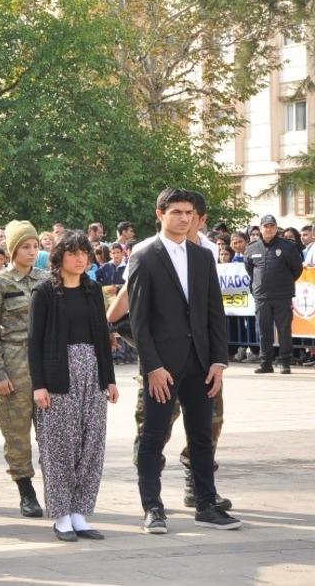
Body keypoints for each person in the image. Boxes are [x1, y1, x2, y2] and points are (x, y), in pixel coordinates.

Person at [127, 188, 240, 533]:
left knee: (202, 436)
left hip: (201, 363)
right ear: (160, 214)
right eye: (176, 212)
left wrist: (219, 361)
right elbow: (138, 321)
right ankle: (153, 508)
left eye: (189, 212)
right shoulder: (144, 256)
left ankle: (206, 504)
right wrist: (153, 367)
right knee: (153, 436)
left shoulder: (203, 256)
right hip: (162, 365)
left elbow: (214, 313)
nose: (184, 218)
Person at [28, 231, 119, 542]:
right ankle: (62, 514)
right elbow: (34, 343)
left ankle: (80, 511)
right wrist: (38, 385)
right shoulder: (45, 293)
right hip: (58, 373)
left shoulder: (94, 291)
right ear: (59, 257)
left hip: (92, 371)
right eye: (74, 253)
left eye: (85, 253)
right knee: (60, 446)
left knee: (91, 443)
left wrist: (109, 378)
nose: (81, 259)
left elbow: (103, 339)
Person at [0, 220, 49, 518]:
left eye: (35, 246)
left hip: (45, 365)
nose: (32, 252)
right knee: (17, 432)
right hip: (14, 365)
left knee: (51, 432)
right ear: (12, 250)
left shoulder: (47, 280)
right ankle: (26, 490)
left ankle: (57, 489)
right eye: (25, 246)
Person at [244, 215, 303, 374]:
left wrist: (284, 283)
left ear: (276, 228)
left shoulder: (288, 247)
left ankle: (285, 362)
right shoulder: (252, 248)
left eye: (271, 226)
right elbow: (250, 269)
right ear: (260, 228)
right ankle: (266, 363)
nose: (268, 229)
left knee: (284, 330)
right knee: (263, 330)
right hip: (261, 297)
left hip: (282, 296)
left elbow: (297, 269)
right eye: (265, 226)